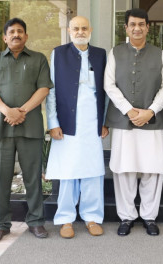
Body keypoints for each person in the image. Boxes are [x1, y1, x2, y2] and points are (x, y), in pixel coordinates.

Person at [0, 18, 53, 243]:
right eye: (11, 32)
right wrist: (6, 111)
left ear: (26, 36)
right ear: (5, 37)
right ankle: (1, 225)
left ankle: (36, 222)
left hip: (30, 128)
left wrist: (21, 111)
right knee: (0, 179)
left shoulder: (38, 59)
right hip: (1, 129)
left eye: (20, 31)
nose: (16, 35)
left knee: (33, 178)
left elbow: (43, 89)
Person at [104, 8, 163, 236]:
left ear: (148, 27)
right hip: (125, 121)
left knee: (152, 169)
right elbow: (109, 85)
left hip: (152, 121)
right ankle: (126, 217)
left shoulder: (159, 53)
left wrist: (150, 111)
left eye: (141, 24)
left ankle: (149, 217)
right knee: (124, 169)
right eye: (132, 24)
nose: (137, 28)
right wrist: (129, 110)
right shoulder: (115, 53)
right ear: (126, 27)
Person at [45, 16, 108, 239]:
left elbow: (106, 91)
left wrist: (104, 121)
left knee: (92, 171)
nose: (80, 31)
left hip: (92, 121)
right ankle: (65, 219)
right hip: (67, 122)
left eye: (84, 28)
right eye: (76, 28)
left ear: (90, 30)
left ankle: (92, 217)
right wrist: (53, 123)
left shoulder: (101, 54)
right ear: (69, 31)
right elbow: (51, 91)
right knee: (68, 171)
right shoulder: (59, 54)